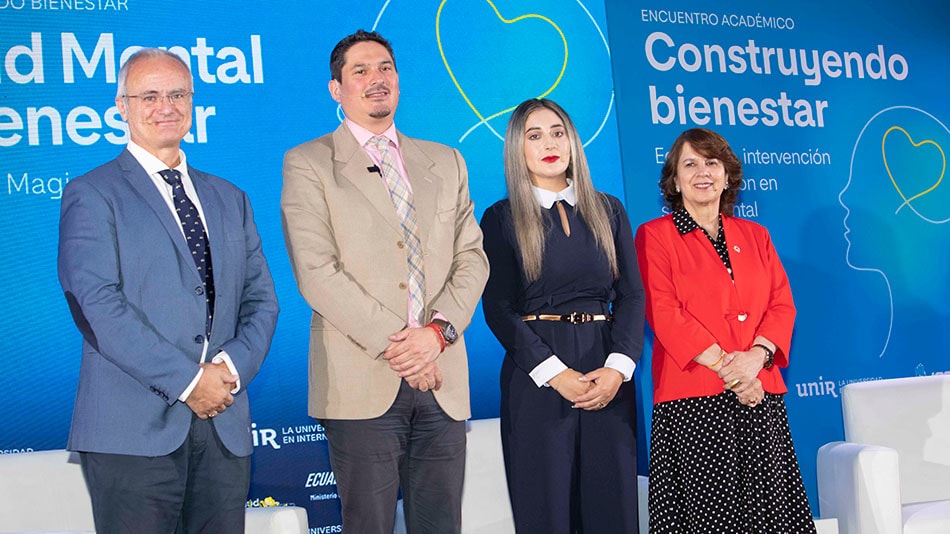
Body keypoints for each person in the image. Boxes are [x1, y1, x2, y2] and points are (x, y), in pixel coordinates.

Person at [57, 48, 279, 533]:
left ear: (192, 101)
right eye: (150, 95)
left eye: (178, 94)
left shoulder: (230, 197)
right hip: (131, 432)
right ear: (122, 106)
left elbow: (261, 299)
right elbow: (96, 306)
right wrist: (188, 381)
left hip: (222, 427)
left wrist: (227, 372)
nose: (166, 106)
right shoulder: (92, 194)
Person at [280, 30, 489, 533]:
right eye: (361, 71)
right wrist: (403, 348)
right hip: (361, 379)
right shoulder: (308, 163)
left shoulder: (446, 160)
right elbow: (316, 272)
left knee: (440, 524)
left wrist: (436, 335)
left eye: (385, 69)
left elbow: (473, 257)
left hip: (443, 376)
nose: (377, 80)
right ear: (336, 88)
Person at [634, 127, 815, 533]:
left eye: (712, 162)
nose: (703, 172)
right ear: (674, 180)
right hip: (693, 398)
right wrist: (732, 372)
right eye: (690, 164)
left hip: (759, 393)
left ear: (728, 175)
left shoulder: (756, 236)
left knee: (769, 518)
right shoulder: (654, 236)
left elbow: (781, 305)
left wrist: (755, 359)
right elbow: (663, 313)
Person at [480, 98, 644, 533]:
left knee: (613, 512)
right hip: (536, 378)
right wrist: (556, 374)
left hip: (608, 373)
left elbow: (631, 294)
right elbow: (498, 309)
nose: (549, 143)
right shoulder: (500, 218)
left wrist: (617, 370)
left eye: (557, 132)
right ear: (518, 150)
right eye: (534, 136)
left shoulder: (609, 210)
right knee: (545, 513)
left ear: (573, 141)